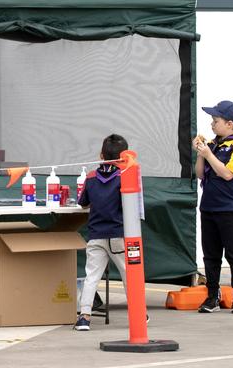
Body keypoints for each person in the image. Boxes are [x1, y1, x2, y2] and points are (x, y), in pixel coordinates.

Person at [194, 100, 233, 314]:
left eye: (216, 121)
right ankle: (212, 295)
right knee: (211, 254)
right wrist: (201, 153)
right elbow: (200, 173)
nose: (212, 125)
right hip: (208, 206)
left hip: (229, 207)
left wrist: (208, 155)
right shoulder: (214, 144)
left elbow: (227, 173)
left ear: (230, 124)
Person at [74, 134, 128, 331]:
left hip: (96, 234)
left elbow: (82, 204)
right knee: (128, 275)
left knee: (91, 277)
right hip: (118, 234)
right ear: (124, 156)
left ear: (101, 155)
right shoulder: (125, 176)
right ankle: (137, 314)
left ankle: (84, 317)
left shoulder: (90, 177)